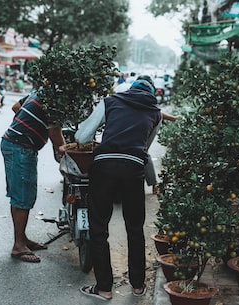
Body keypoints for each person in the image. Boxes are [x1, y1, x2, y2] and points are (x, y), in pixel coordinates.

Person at [75, 77, 161, 300]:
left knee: (99, 227)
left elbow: (82, 136)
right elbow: (145, 147)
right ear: (152, 93)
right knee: (135, 227)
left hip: (104, 166)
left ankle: (104, 288)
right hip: (133, 169)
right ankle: (138, 285)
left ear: (130, 89)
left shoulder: (111, 101)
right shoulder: (155, 112)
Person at [0, 90, 65, 263]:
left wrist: (32, 123)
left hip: (11, 143)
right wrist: (66, 154)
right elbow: (56, 136)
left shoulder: (41, 92)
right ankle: (19, 246)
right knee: (23, 197)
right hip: (20, 147)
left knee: (19, 195)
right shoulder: (55, 101)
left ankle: (22, 238)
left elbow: (16, 107)